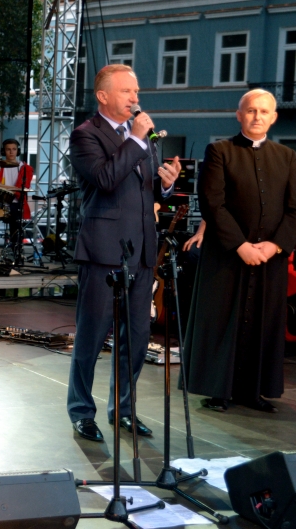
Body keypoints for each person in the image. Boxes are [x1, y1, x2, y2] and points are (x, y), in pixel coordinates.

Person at [66, 64, 180, 442]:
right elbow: (105, 179)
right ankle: (82, 411)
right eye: (127, 91)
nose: (135, 97)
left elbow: (144, 191)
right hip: (103, 249)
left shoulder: (140, 136)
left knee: (137, 337)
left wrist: (166, 186)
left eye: (136, 91)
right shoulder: (85, 134)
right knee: (92, 335)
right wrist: (135, 138)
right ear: (103, 96)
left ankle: (124, 409)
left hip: (142, 249)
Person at [183, 89, 296, 414]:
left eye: (264, 111)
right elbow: (212, 203)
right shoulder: (220, 151)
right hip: (227, 255)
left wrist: (274, 245)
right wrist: (241, 246)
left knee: (263, 324)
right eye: (251, 110)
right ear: (239, 115)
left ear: (273, 118)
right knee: (223, 323)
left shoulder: (287, 157)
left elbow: (294, 209)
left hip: (270, 258)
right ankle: (218, 390)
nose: (257, 116)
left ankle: (254, 391)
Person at [0, 138, 32, 248]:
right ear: (3, 151)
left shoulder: (26, 168)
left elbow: (22, 187)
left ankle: (15, 248)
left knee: (16, 230)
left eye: (14, 149)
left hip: (16, 203)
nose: (11, 152)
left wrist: (1, 185)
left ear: (18, 151)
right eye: (8, 149)